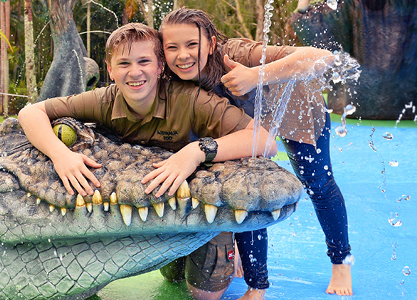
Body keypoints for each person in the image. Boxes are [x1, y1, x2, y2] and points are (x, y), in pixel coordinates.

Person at [18, 22, 277, 300]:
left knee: (204, 295)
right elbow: (31, 112)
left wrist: (197, 150)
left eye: (144, 61)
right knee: (172, 276)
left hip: (203, 204)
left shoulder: (192, 100)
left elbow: (266, 141)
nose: (135, 72)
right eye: (124, 63)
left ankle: (230, 243)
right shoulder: (104, 100)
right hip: (156, 201)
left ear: (159, 67)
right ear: (110, 70)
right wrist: (61, 155)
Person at [158, 7, 353, 300]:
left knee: (317, 184)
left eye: (192, 44)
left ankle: (341, 262)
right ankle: (256, 285)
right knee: (246, 185)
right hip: (249, 126)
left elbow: (322, 58)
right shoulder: (175, 80)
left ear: (211, 44)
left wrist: (256, 75)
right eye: (172, 47)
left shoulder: (237, 52)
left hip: (296, 108)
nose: (182, 55)